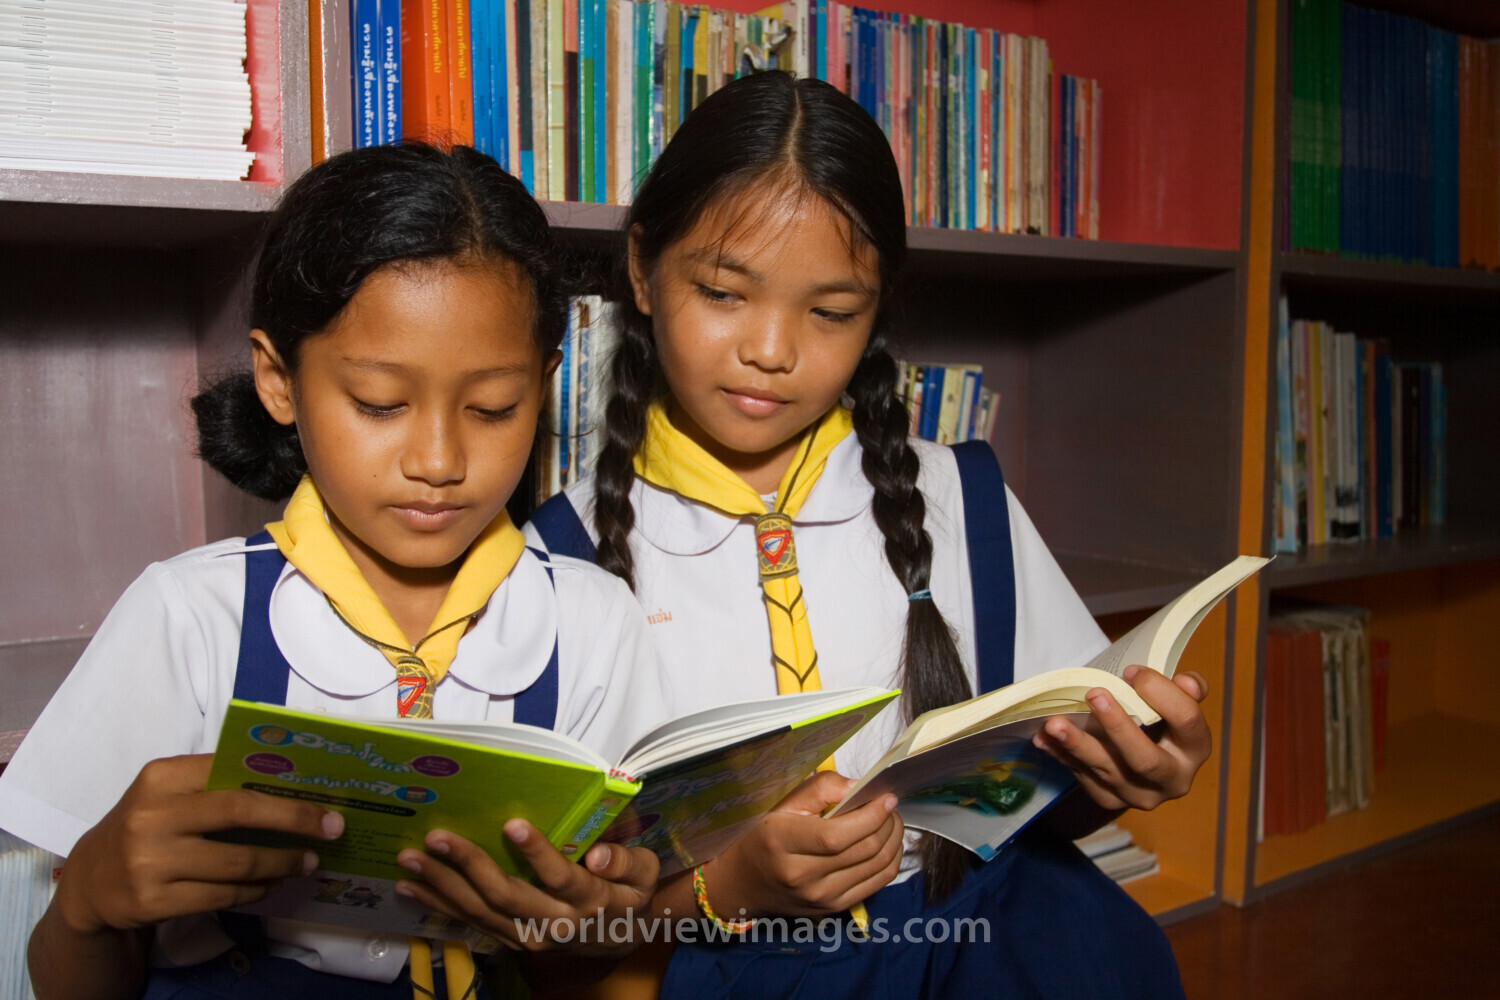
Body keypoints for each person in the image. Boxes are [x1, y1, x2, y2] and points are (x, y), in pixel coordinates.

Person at [524, 72, 1207, 998]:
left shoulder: (963, 496)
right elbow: (553, 920)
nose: (772, 349)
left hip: (991, 948)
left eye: (832, 312)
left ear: (878, 308)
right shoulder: (552, 558)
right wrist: (731, 885)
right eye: (725, 293)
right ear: (641, 270)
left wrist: (1129, 769)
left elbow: (1042, 803)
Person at [0, 143, 667, 1000]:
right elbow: (64, 975)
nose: (438, 459)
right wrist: (90, 901)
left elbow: (599, 963)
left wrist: (585, 933)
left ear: (545, 384)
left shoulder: (594, 624)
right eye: (380, 404)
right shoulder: (191, 617)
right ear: (280, 379)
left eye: (494, 408)